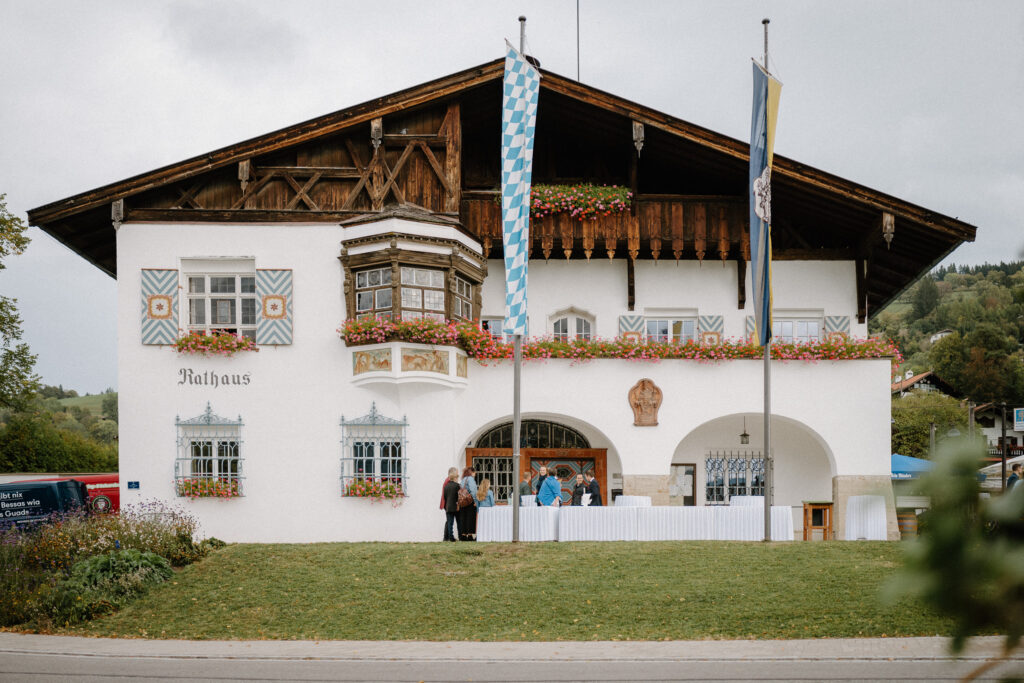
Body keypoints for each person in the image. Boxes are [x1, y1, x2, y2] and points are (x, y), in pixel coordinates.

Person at [458, 466, 478, 541]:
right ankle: (470, 535)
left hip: (462, 501)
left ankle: (463, 535)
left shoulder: (463, 479)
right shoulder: (470, 479)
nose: (475, 473)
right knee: (470, 517)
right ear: (471, 472)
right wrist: (475, 501)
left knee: (463, 517)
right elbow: (473, 491)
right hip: (469, 501)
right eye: (474, 472)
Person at [442, 467, 460, 541]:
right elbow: (458, 496)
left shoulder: (446, 486)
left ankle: (451, 537)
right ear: (455, 477)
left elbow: (445, 497)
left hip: (448, 506)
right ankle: (460, 536)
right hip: (455, 506)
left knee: (450, 523)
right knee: (459, 522)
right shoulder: (457, 485)